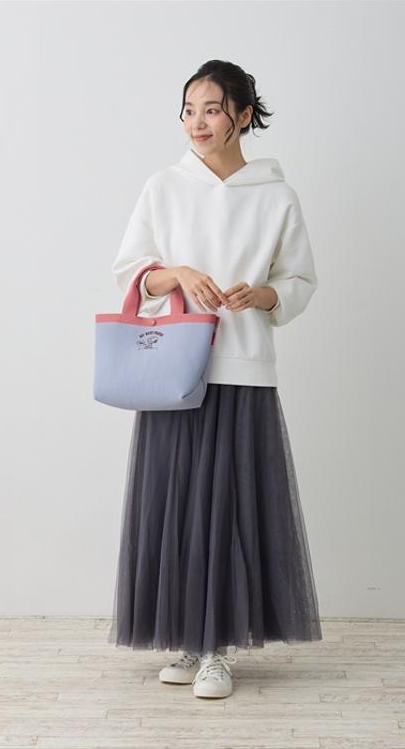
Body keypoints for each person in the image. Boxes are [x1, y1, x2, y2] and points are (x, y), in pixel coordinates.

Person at [107, 60, 322, 699]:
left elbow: (299, 281)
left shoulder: (276, 196)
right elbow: (131, 272)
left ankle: (216, 650)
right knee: (175, 508)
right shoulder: (164, 187)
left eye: (211, 109)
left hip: (244, 368)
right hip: (176, 368)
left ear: (243, 116)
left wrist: (262, 295)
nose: (196, 122)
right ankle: (187, 639)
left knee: (229, 509)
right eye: (188, 110)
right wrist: (178, 274)